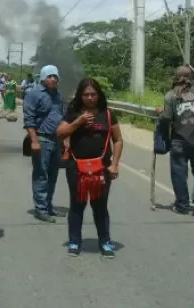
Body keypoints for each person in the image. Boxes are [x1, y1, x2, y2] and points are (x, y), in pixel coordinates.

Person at [56, 78, 124, 258]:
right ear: (80, 96)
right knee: (77, 204)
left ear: (98, 95)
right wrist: (78, 122)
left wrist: (115, 164)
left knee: (100, 206)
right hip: (75, 167)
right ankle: (74, 241)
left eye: (93, 94)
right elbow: (60, 133)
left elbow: (117, 140)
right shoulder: (72, 113)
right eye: (86, 94)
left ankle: (105, 242)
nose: (90, 98)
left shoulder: (107, 114)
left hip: (101, 168)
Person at [156, 66, 194, 217]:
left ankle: (182, 204)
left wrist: (161, 113)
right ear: (190, 78)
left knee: (179, 173)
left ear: (174, 78)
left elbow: (167, 118)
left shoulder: (170, 96)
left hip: (179, 141)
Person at [23, 65, 65, 223]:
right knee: (41, 175)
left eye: (55, 76)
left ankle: (48, 205)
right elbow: (29, 119)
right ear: (42, 78)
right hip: (41, 139)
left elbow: (62, 117)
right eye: (49, 76)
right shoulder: (33, 94)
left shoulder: (58, 96)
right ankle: (40, 209)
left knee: (53, 175)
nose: (53, 79)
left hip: (56, 140)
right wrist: (34, 141)